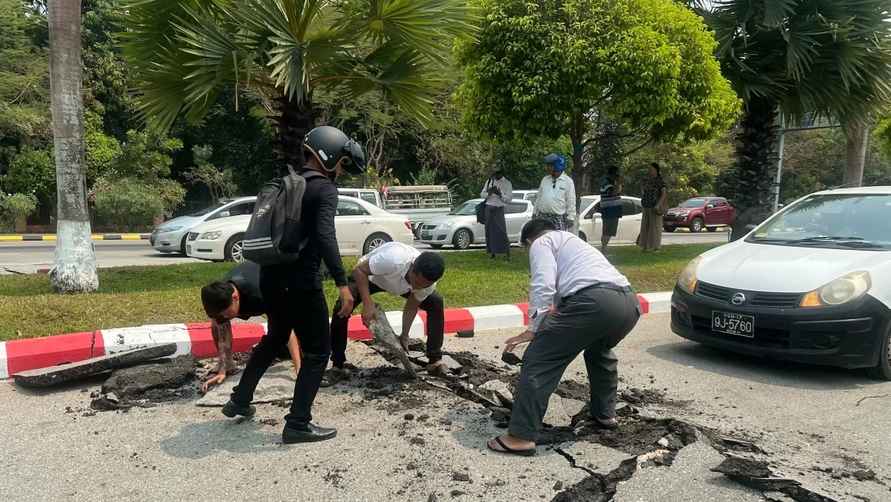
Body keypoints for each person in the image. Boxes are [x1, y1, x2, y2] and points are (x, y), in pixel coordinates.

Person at [221, 125, 364, 445]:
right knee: (319, 352)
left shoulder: (288, 183)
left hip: (270, 277)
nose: (342, 170)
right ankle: (298, 423)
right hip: (301, 283)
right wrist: (342, 283)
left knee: (275, 338)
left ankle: (239, 400)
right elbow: (326, 236)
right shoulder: (324, 189)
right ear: (329, 156)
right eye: (342, 163)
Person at [487, 219, 641, 456]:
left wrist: (533, 330)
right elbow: (567, 295)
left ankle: (520, 437)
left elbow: (543, 284)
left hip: (594, 303)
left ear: (529, 240)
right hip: (628, 304)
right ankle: (605, 414)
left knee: (539, 360)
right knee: (599, 352)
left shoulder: (542, 242)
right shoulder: (574, 244)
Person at [326, 242, 447, 384]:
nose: (417, 287)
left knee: (436, 302)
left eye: (423, 285)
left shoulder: (427, 284)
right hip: (369, 277)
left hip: (397, 284)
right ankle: (338, 365)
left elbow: (411, 306)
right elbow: (359, 270)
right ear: (413, 267)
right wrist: (367, 303)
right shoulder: (393, 259)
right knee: (342, 307)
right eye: (417, 282)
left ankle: (434, 360)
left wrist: (404, 335)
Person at [200, 261, 301, 392]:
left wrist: (299, 369)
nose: (224, 317)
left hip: (289, 285)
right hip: (254, 278)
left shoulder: (260, 294)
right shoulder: (220, 295)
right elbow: (221, 327)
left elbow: (285, 328)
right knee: (217, 323)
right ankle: (229, 364)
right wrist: (223, 368)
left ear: (235, 297)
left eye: (226, 313)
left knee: (285, 338)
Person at [534, 153, 577, 234]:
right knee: (542, 239)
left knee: (557, 240)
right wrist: (534, 213)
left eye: (549, 165)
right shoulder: (545, 179)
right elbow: (539, 198)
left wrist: (571, 217)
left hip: (558, 219)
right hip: (542, 217)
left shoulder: (568, 181)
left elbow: (571, 200)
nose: (547, 168)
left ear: (558, 165)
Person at [480, 167, 513, 259]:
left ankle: (506, 253)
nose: (495, 176)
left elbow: (509, 199)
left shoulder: (507, 183)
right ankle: (492, 253)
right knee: (489, 231)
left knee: (501, 231)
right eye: (494, 174)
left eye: (497, 174)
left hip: (498, 208)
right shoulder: (489, 181)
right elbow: (482, 194)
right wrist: (489, 193)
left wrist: (500, 194)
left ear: (501, 173)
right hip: (488, 208)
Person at [639, 162, 668, 252]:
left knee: (655, 227)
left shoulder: (660, 181)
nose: (650, 171)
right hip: (646, 206)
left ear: (656, 170)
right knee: (645, 226)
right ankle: (645, 246)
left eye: (651, 169)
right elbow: (643, 190)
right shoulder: (647, 180)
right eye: (649, 169)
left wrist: (658, 205)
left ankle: (655, 247)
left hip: (655, 207)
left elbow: (664, 194)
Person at [595, 166, 623, 253]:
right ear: (614, 174)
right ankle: (604, 248)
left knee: (608, 231)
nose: (618, 176)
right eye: (617, 174)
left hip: (611, 210)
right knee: (608, 231)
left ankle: (604, 247)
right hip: (610, 210)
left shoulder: (609, 182)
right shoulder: (607, 183)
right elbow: (614, 192)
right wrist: (619, 183)